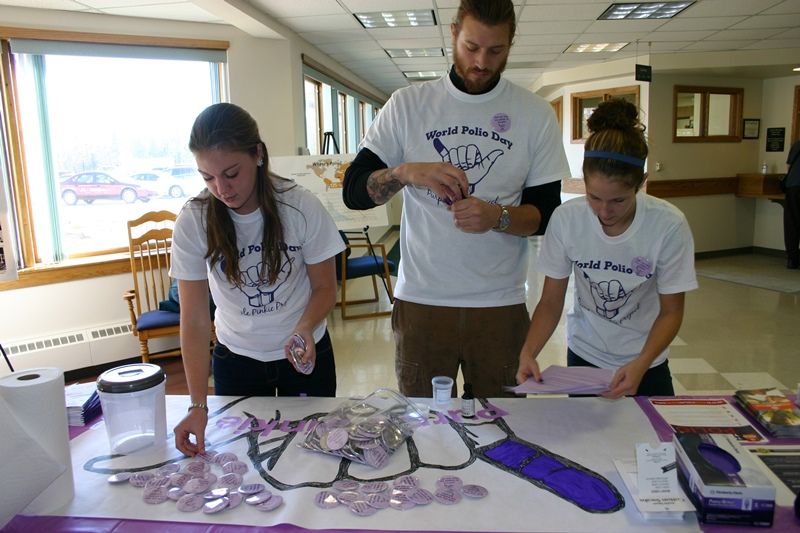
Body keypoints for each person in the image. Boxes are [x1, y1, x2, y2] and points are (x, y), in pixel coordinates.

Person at [342, 0, 569, 398]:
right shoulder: (407, 106)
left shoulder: (534, 114)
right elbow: (354, 192)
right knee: (425, 431)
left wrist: (496, 217)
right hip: (422, 303)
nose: (482, 61)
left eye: (495, 50)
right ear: (453, 33)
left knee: (502, 428)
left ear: (511, 44)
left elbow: (548, 214)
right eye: (471, 47)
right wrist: (405, 172)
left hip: (500, 305)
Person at [172, 103, 345, 456]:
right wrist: (197, 406)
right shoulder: (194, 220)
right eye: (207, 177)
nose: (222, 188)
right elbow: (193, 319)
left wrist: (304, 327)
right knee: (245, 461)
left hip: (304, 357)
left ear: (258, 155)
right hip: (237, 362)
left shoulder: (300, 206)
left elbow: (326, 288)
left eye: (232, 173)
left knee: (313, 458)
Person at [515, 99, 698, 398]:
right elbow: (550, 301)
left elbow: (671, 312)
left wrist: (640, 364)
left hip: (646, 360)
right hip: (585, 356)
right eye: (594, 197)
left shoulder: (668, 225)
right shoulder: (567, 219)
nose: (604, 211)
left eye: (618, 201)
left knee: (655, 441)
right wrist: (529, 351)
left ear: (641, 183)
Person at [784, 140, 800, 269]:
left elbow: (788, 166)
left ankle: (792, 259)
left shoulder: (797, 144)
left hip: (793, 186)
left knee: (792, 223)